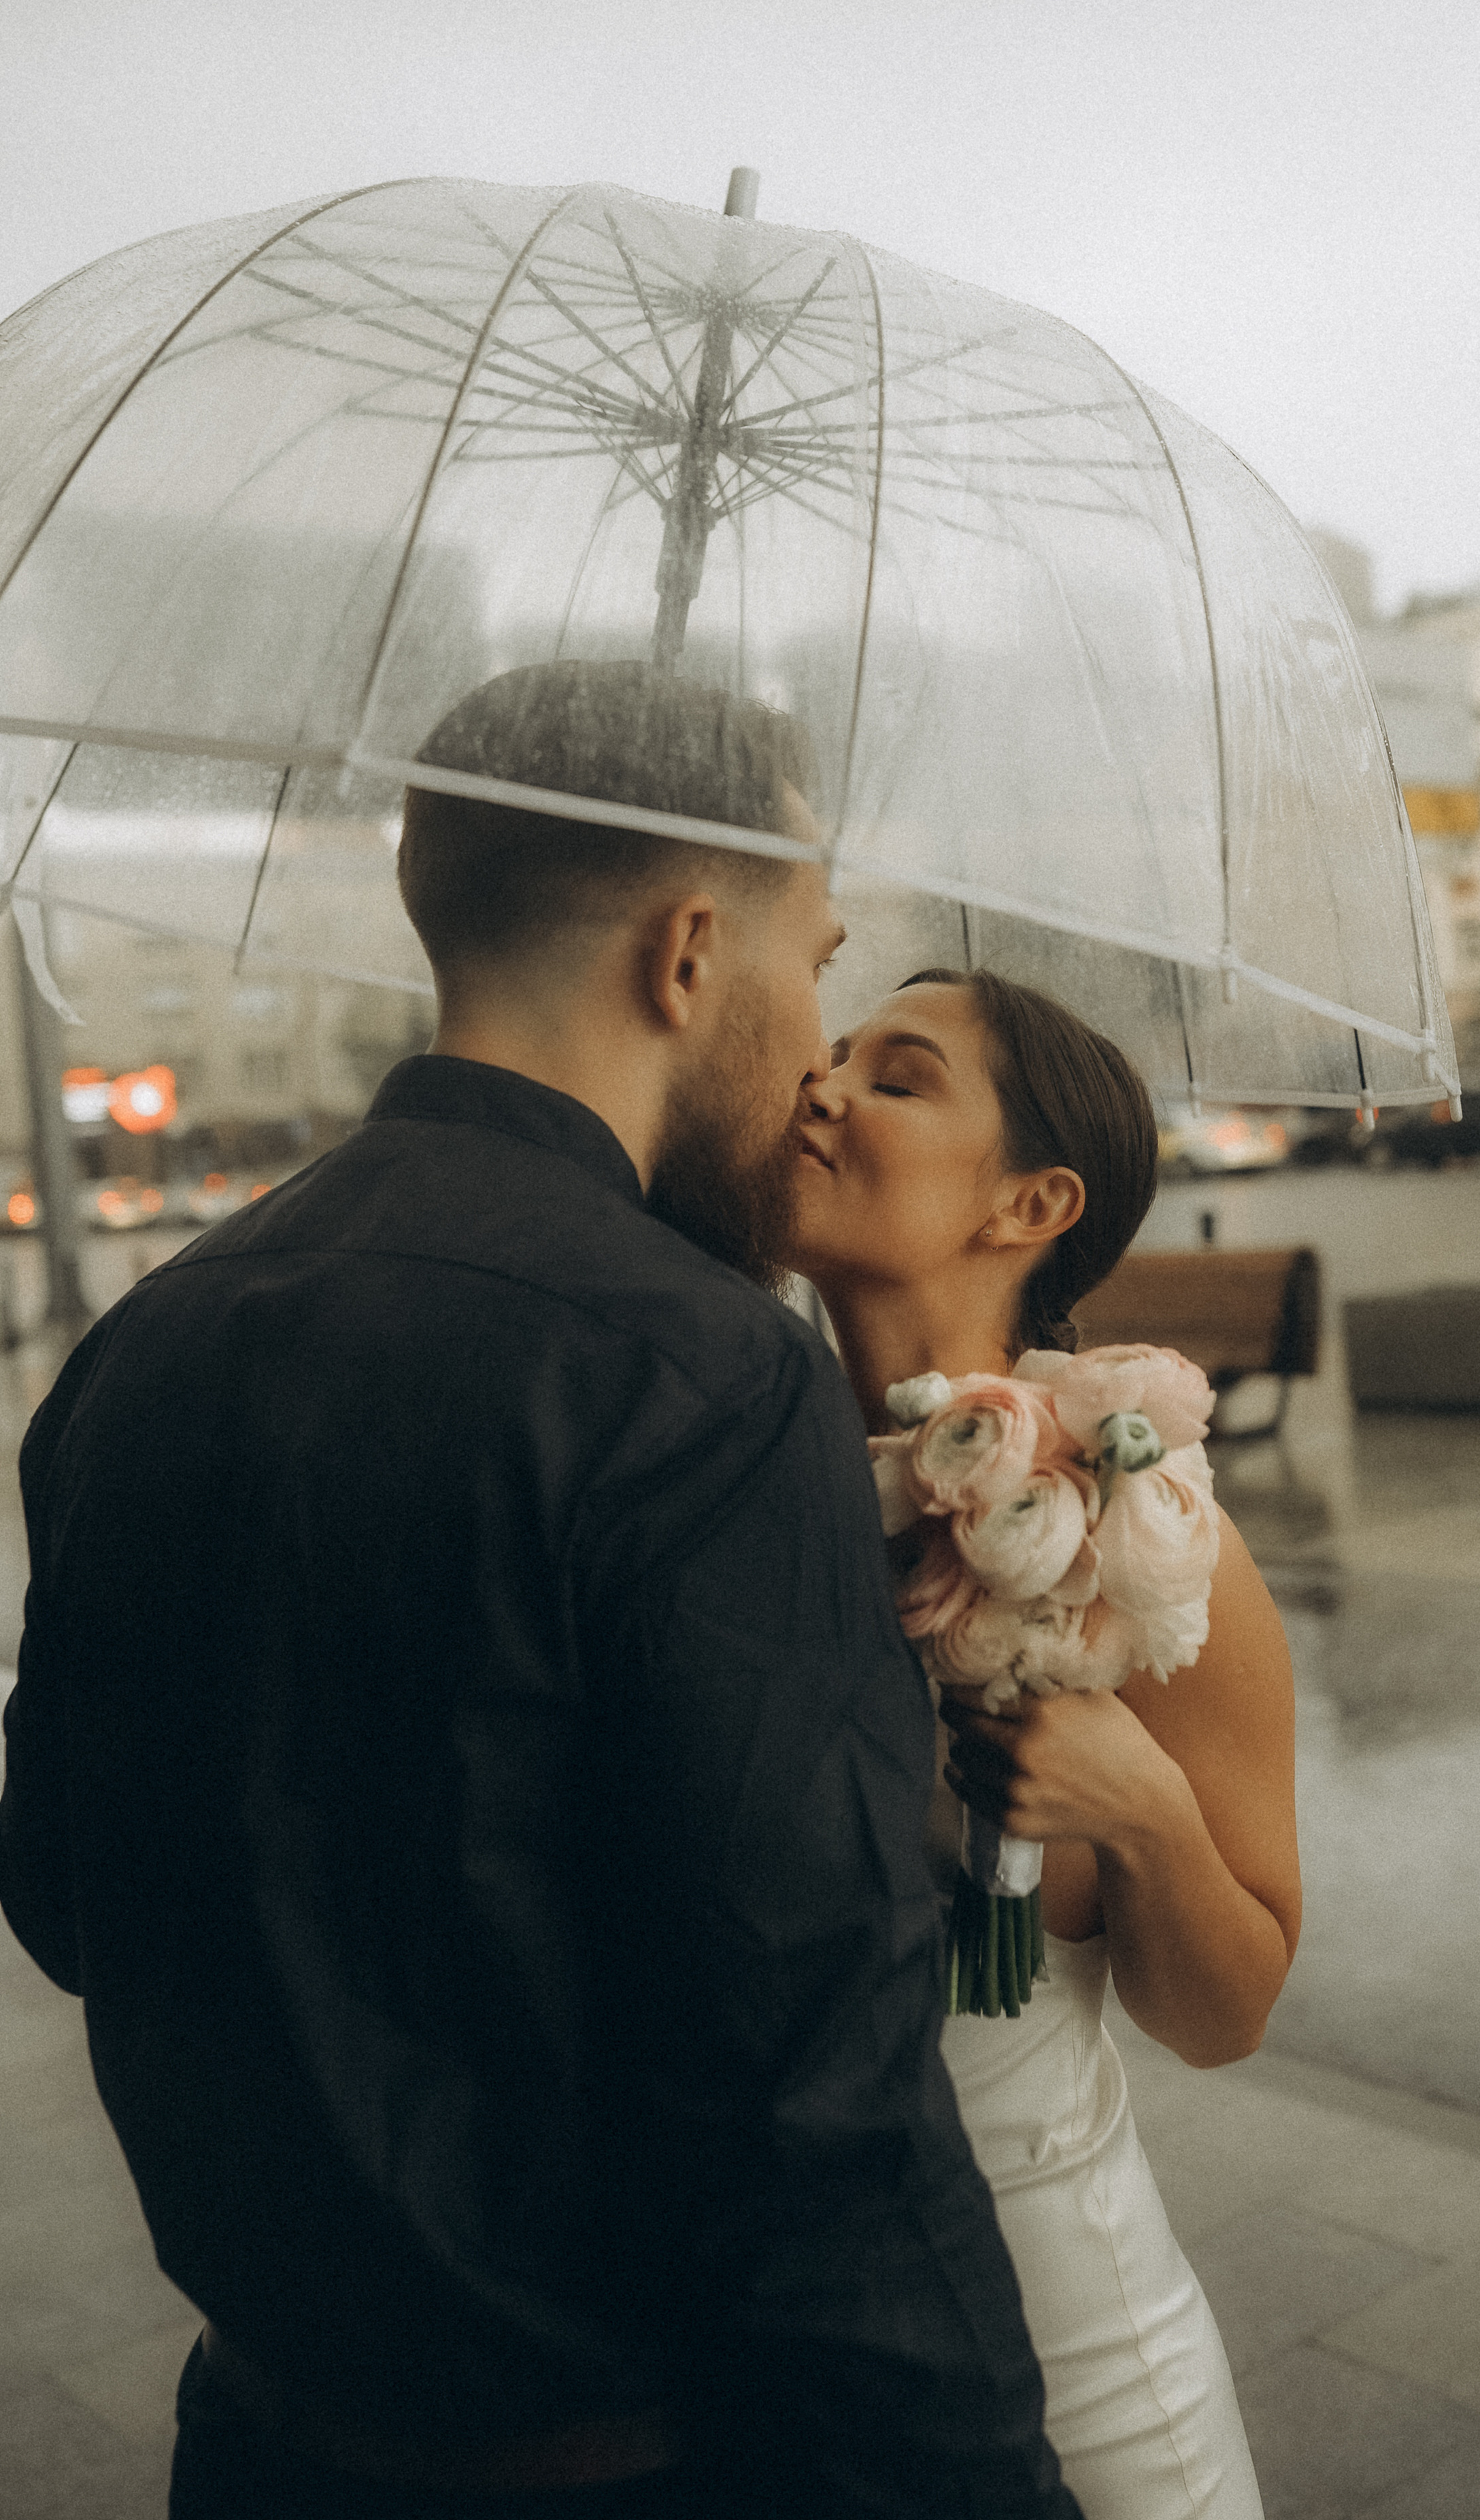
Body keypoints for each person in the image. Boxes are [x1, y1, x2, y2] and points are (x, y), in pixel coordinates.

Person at [0, 664, 1083, 2520]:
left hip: (252, 2452)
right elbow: (821, 2121)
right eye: (810, 962)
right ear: (687, 955)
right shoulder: (704, 1384)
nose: (815, 1038)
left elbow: (63, 1894)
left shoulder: (148, 1339)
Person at [789, 967, 1303, 2519]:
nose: (817, 1086)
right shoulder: (736, 1477)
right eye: (826, 1055)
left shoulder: (1152, 1542)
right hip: (788, 2379)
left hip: (1072, 2361)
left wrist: (1140, 1814)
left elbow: (1224, 2017)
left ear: (1029, 1202)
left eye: (895, 1074)